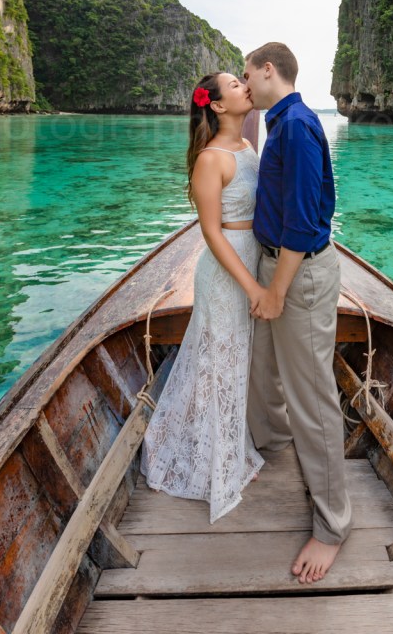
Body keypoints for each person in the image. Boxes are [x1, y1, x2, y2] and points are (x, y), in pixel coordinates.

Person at [243, 42, 352, 584]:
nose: (245, 84)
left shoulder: (297, 126)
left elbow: (305, 223)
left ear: (269, 71)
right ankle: (274, 441)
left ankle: (332, 525)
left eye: (248, 74)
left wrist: (277, 291)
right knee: (266, 368)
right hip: (276, 267)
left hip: (298, 273)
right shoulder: (279, 123)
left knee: (313, 396)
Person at [140, 72, 265, 522]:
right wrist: (252, 286)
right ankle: (211, 465)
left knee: (234, 362)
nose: (245, 86)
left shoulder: (248, 148)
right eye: (235, 83)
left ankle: (229, 452)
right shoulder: (211, 160)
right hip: (226, 271)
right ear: (215, 105)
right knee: (218, 363)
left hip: (251, 260)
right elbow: (211, 233)